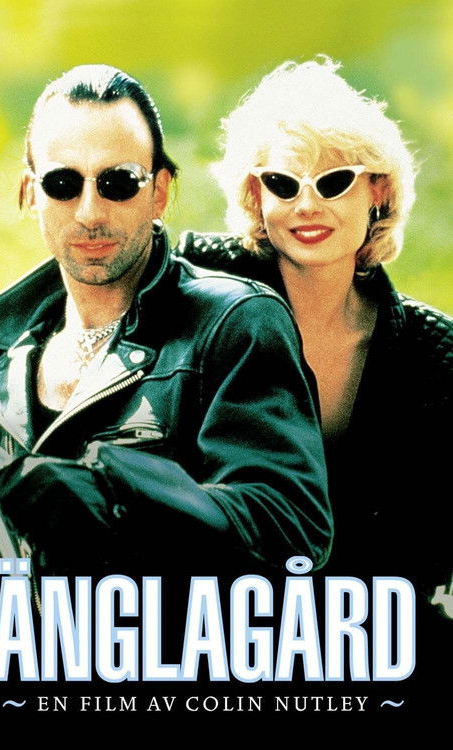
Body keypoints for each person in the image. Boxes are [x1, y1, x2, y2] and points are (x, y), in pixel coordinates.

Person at [0, 64, 332, 582]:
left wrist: (115, 491)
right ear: (30, 193)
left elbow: (290, 525)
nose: (90, 212)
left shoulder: (235, 323)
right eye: (62, 184)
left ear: (160, 192)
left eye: (119, 182)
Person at [176, 59, 452, 631]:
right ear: (256, 195)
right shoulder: (194, 293)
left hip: (373, 642)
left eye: (333, 181)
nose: (307, 206)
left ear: (377, 190)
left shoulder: (433, 351)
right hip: (214, 632)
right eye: (283, 183)